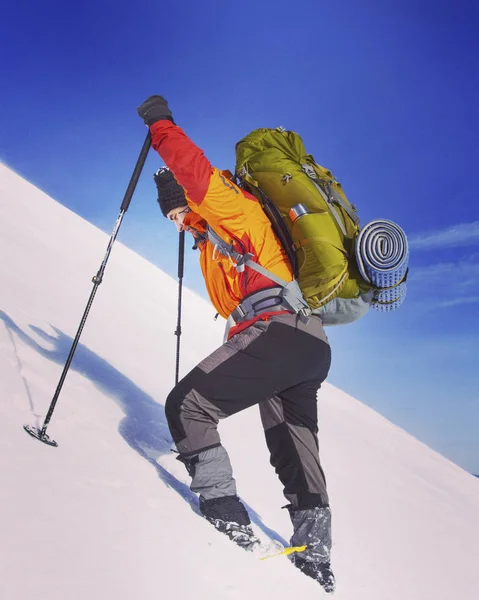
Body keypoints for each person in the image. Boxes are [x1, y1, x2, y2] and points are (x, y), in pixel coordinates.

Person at [137, 95, 335, 593]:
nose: (177, 223)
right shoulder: (217, 236)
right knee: (293, 441)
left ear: (194, 199)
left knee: (188, 406)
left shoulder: (233, 206)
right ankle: (316, 553)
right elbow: (229, 286)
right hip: (305, 342)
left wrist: (161, 128)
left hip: (279, 332)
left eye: (176, 213)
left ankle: (225, 514)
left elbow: (197, 172)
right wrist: (191, 219)